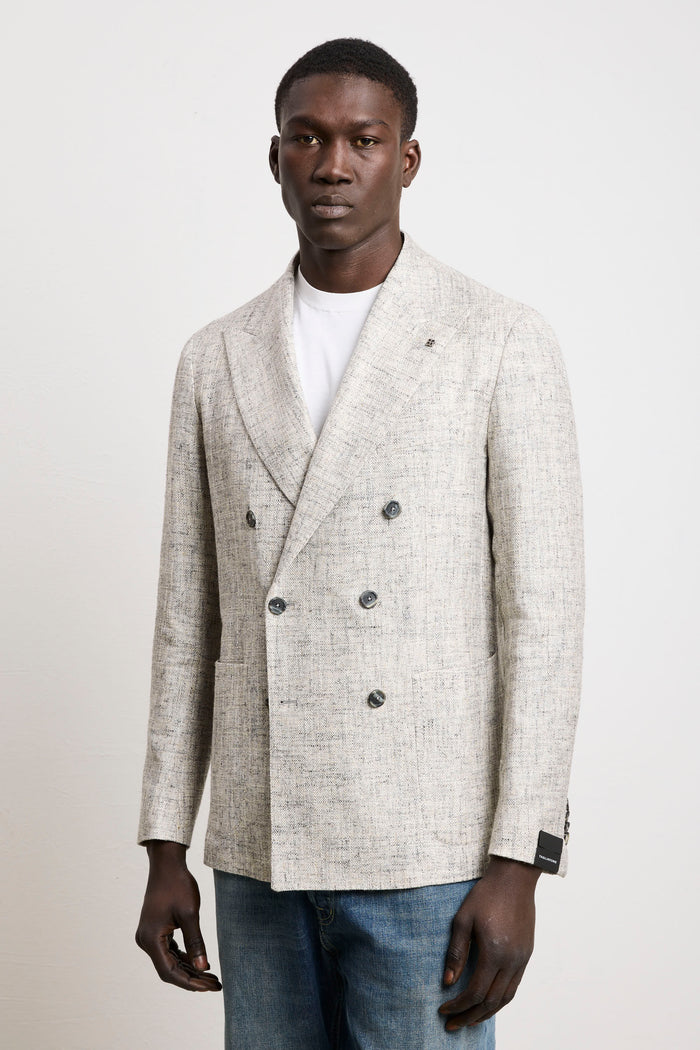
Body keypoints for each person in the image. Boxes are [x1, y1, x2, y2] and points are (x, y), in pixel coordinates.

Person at [135, 37, 585, 1050]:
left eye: (362, 140)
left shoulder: (497, 340)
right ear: (276, 158)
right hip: (259, 845)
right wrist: (166, 844)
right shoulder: (215, 357)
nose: (332, 164)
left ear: (406, 160)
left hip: (426, 846)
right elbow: (185, 621)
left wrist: (519, 862)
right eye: (307, 138)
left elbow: (543, 622)